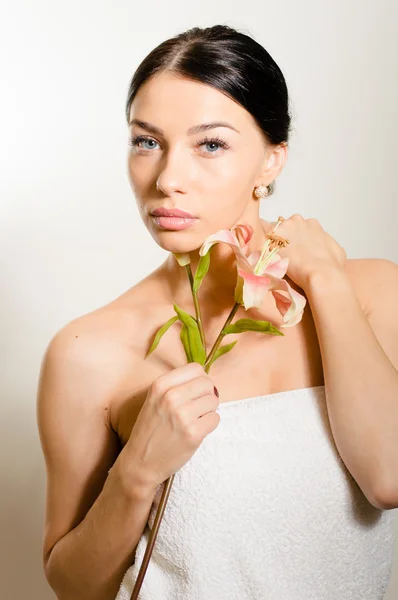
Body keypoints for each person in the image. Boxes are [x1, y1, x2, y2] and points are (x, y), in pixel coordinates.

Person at [37, 24, 398, 600]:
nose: (167, 179)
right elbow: (75, 587)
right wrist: (135, 474)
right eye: (146, 141)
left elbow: (388, 479)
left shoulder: (376, 294)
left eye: (210, 144)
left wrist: (326, 281)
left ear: (272, 161)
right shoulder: (90, 352)